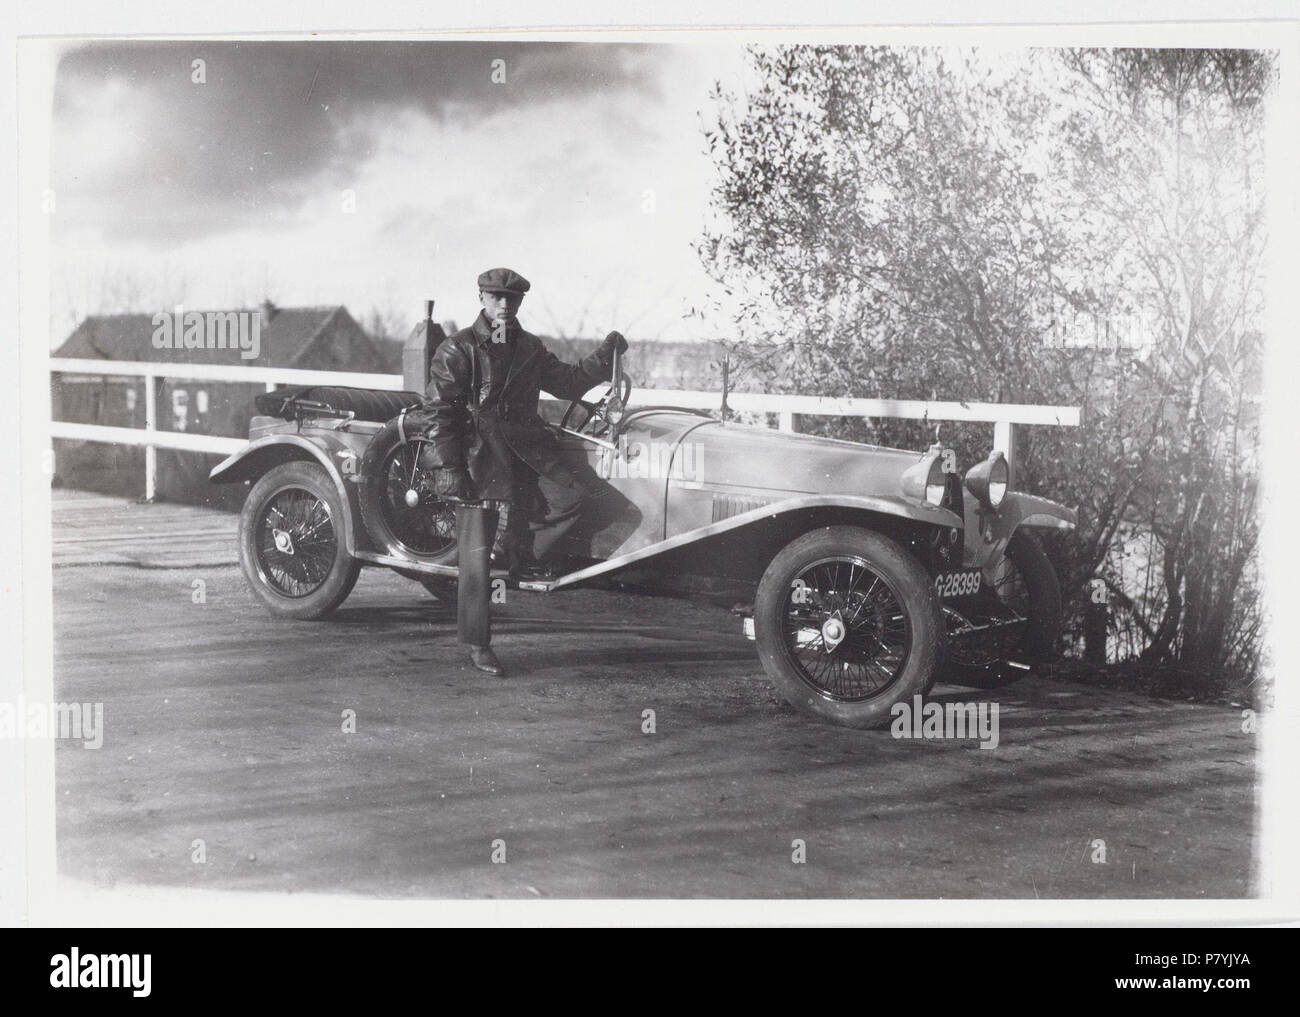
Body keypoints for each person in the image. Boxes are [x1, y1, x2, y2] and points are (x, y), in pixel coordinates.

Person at [407, 267, 628, 676]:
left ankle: (517, 552)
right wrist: (448, 468)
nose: (504, 305)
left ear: (521, 302)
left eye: (512, 299)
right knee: (475, 554)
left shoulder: (528, 347)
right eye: (496, 297)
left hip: (526, 448)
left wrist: (604, 357)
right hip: (477, 454)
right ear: (482, 300)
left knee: (575, 496)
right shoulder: (459, 349)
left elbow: (567, 382)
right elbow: (437, 414)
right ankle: (477, 643)